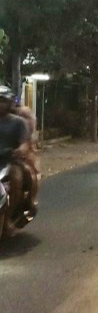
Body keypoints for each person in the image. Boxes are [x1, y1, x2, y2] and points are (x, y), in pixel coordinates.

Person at [0, 86, 34, 216]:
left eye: (3, 101)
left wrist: (19, 150)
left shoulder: (19, 123)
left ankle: (11, 214)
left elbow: (25, 143)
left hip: (10, 161)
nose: (0, 104)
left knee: (18, 178)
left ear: (9, 103)